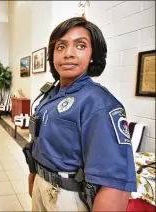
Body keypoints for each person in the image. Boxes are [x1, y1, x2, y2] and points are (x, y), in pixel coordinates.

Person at [26, 17, 136, 211]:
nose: (68, 53)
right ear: (52, 55)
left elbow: (114, 184)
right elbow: (39, 142)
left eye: (80, 45)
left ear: (93, 54)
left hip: (68, 196)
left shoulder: (100, 103)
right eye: (60, 47)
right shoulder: (49, 95)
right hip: (41, 186)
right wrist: (34, 176)